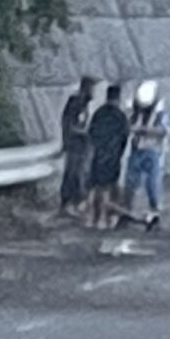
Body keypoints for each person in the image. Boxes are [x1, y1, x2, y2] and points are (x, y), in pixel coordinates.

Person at [124, 80, 169, 229]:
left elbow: (163, 131)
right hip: (136, 150)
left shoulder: (159, 113)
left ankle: (154, 214)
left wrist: (143, 130)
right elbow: (128, 124)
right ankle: (127, 212)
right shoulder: (134, 110)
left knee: (152, 185)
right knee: (130, 183)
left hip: (152, 152)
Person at [87, 83, 130, 230]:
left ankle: (90, 218)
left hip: (97, 155)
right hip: (112, 156)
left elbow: (91, 133)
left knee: (93, 187)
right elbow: (125, 136)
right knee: (107, 189)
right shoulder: (120, 116)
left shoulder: (98, 113)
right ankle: (103, 219)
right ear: (118, 98)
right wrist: (118, 152)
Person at [59, 76, 96, 215]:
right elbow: (69, 124)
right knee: (73, 173)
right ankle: (68, 203)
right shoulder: (76, 103)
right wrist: (85, 132)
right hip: (75, 144)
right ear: (85, 89)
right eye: (92, 89)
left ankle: (75, 203)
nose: (93, 93)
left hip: (82, 144)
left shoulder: (85, 104)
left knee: (81, 173)